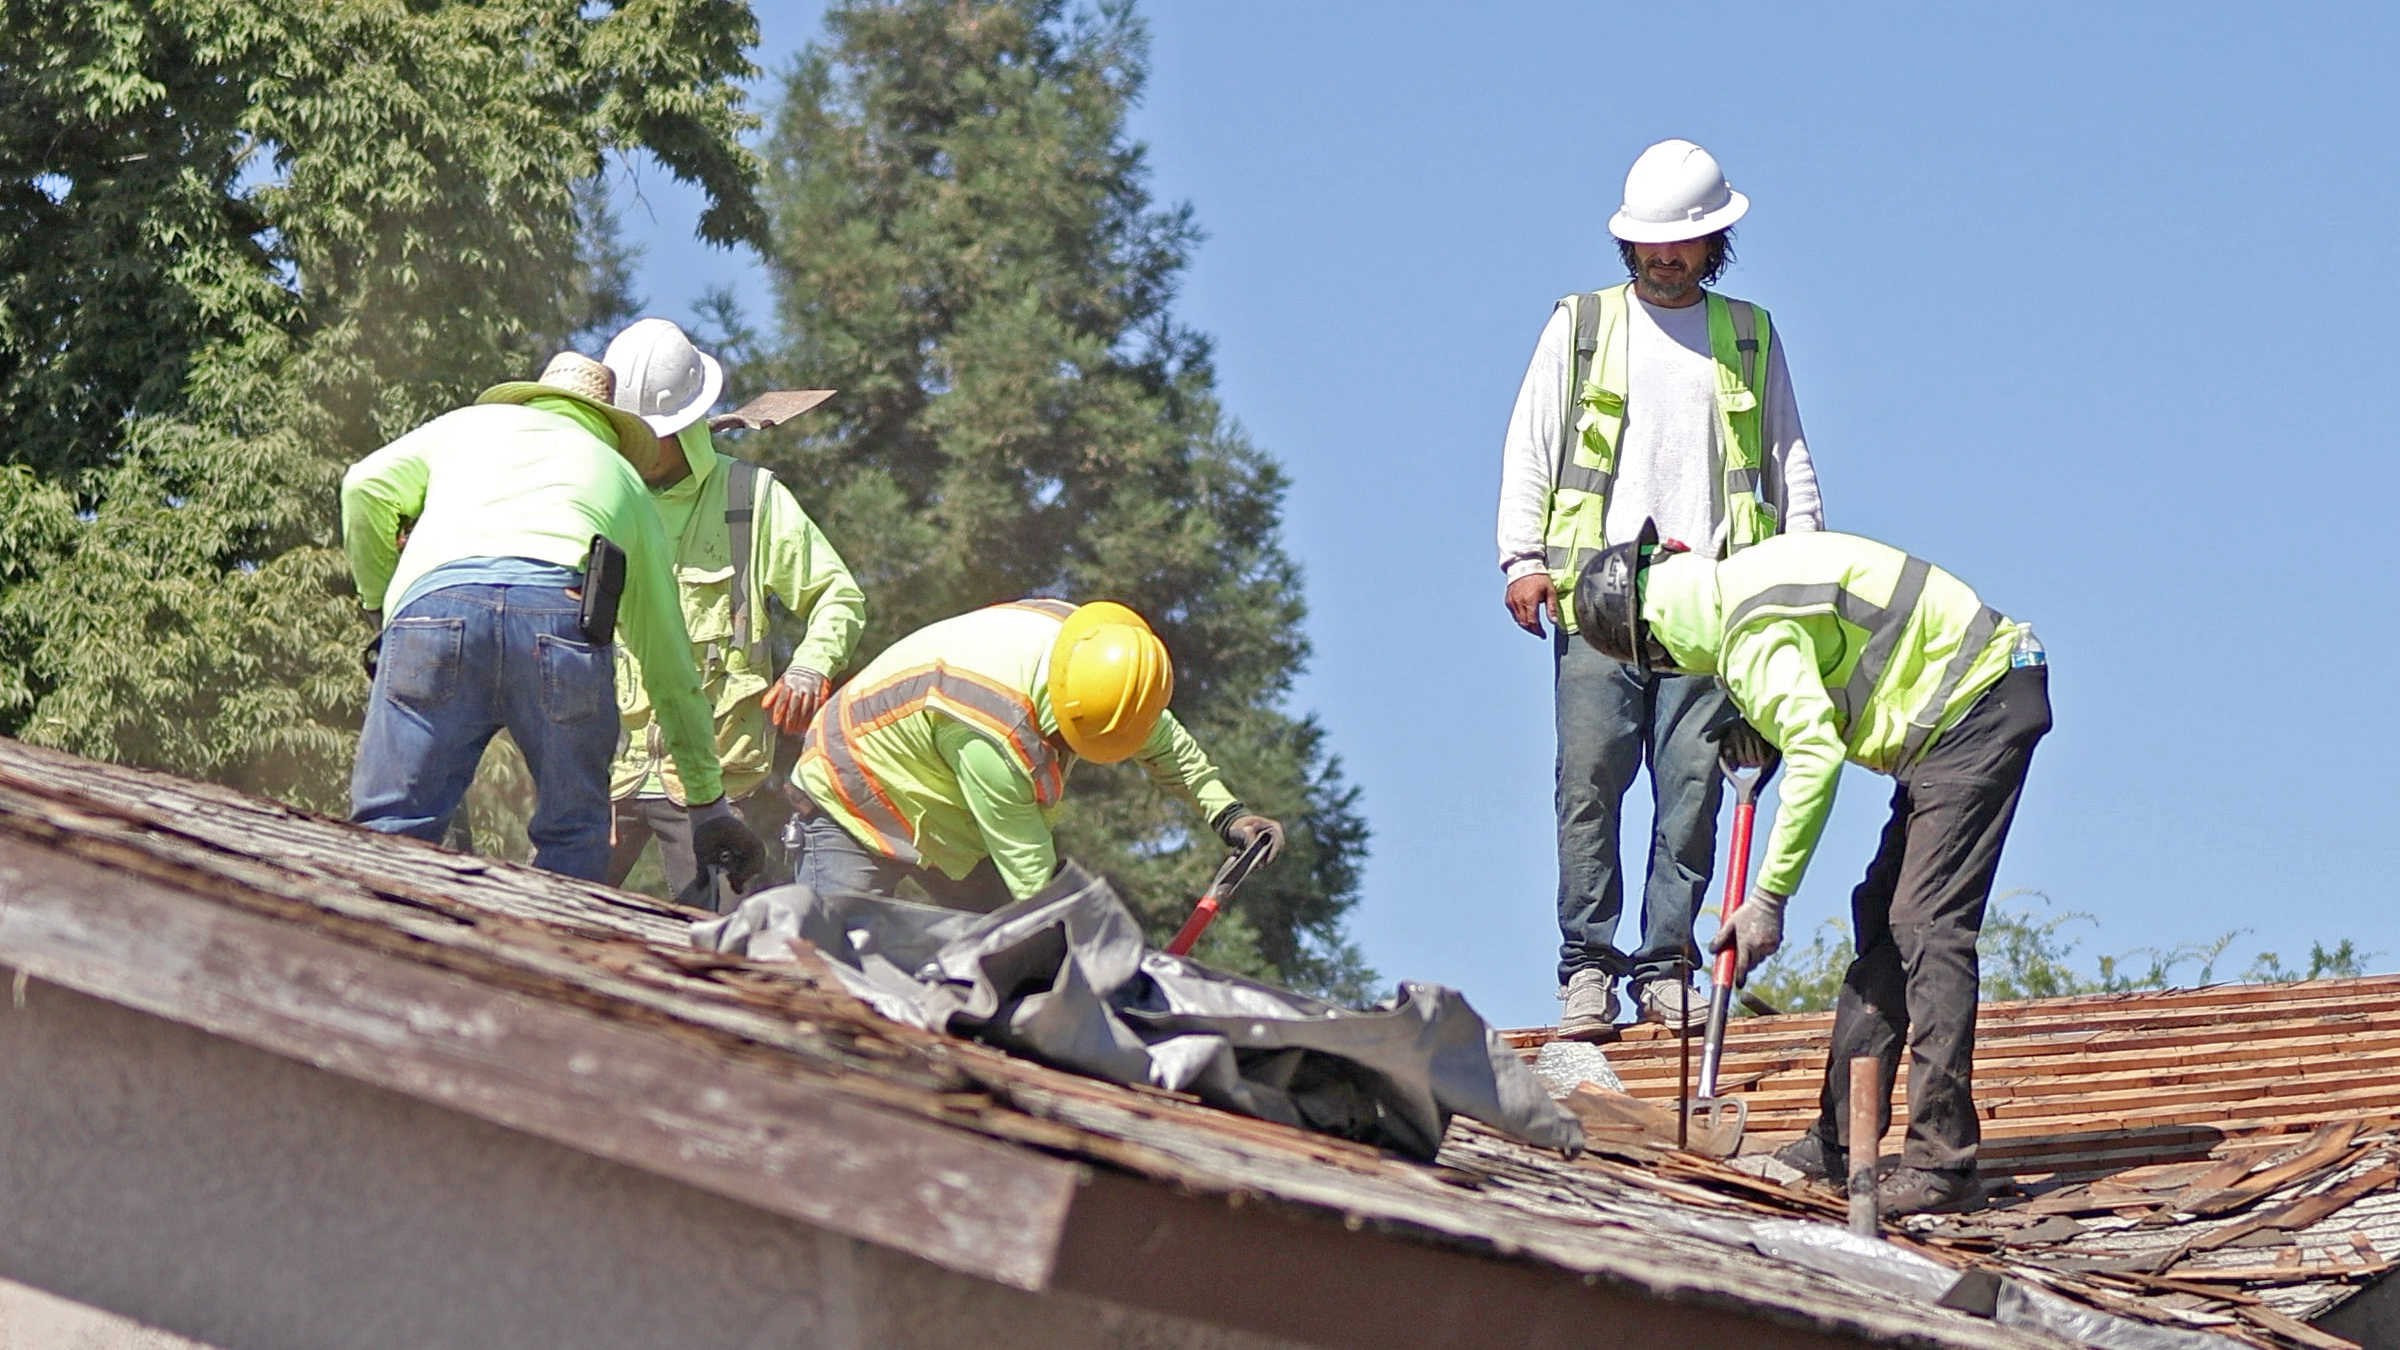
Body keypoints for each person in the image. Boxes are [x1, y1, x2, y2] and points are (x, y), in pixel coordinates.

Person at [1574, 523, 2050, 1216]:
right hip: (1969, 706)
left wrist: (1768, 897)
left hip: (1979, 705)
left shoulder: (1747, 637)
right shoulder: (1745, 583)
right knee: (1884, 919)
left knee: (1924, 924)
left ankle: (1942, 1165)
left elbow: (1816, 756)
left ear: (1656, 643)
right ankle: (1835, 1144)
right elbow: (1823, 661)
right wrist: (1765, 725)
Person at [1495, 137, 1824, 1040]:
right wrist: (1521, 558)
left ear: (1715, 243)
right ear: (1628, 244)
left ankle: (1667, 968)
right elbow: (1533, 439)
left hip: (1713, 607)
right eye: (1651, 244)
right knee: (1590, 781)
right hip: (1598, 601)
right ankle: (1586, 970)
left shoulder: (1750, 335)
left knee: (1692, 788)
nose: (1665, 259)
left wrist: (1802, 588)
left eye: (1682, 245)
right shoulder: (1583, 324)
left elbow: (1789, 465)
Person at [341, 352, 764, 887]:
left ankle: (362, 955)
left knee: (391, 826)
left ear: (532, 396)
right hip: (558, 622)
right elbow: (668, 661)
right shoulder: (621, 478)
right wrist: (706, 802)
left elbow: (363, 486)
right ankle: (557, 954)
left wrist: (383, 600)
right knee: (574, 834)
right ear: (608, 424)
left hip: (437, 611)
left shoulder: (464, 427)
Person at [597, 318, 867, 900]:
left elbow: (837, 595)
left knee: (722, 944)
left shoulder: (752, 498)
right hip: (604, 779)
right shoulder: (600, 494)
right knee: (540, 914)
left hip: (713, 782)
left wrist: (810, 666)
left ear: (688, 424)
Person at [787, 598, 1282, 911]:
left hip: (945, 804)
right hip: (853, 793)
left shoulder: (1091, 654)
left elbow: (1162, 739)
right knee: (830, 960)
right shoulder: (994, 731)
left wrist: (1228, 813)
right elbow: (1031, 878)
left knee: (1012, 960)